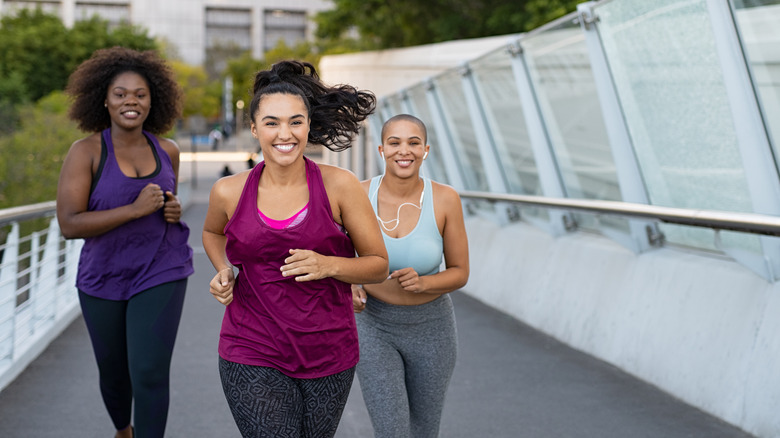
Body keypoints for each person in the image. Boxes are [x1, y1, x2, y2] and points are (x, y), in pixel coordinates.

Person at [202, 60, 389, 438]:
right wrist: (224, 269)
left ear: (308, 126)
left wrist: (328, 265)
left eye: (295, 121)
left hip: (328, 350)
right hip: (251, 345)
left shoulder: (340, 185)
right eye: (271, 122)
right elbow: (212, 232)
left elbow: (378, 265)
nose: (284, 133)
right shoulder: (229, 191)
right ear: (254, 128)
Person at [56, 46, 193, 438]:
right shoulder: (85, 152)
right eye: (120, 93)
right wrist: (133, 210)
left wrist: (173, 209)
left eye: (140, 94)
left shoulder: (167, 150)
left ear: (154, 100)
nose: (130, 100)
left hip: (161, 269)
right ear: (103, 99)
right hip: (104, 276)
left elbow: (167, 203)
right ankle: (123, 429)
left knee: (149, 371)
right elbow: (69, 223)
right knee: (114, 375)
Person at [352, 114, 470, 438]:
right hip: (374, 325)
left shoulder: (446, 199)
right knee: (391, 430)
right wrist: (351, 285)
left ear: (426, 150)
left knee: (423, 430)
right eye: (395, 142)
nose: (404, 151)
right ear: (381, 149)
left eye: (413, 143)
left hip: (433, 328)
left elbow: (461, 272)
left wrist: (424, 283)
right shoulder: (358, 194)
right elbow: (340, 255)